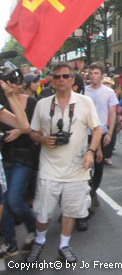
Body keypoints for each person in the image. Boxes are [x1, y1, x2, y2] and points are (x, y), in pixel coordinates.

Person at [26, 62, 101, 264]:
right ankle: (40, 241)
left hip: (77, 168)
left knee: (70, 209)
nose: (61, 80)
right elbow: (32, 132)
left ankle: (64, 245)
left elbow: (96, 129)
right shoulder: (42, 104)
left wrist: (91, 152)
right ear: (51, 79)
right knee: (43, 210)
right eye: (57, 76)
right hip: (49, 167)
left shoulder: (85, 102)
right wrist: (42, 139)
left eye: (65, 76)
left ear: (72, 79)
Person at [75, 63, 118, 230]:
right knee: (84, 165)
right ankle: (86, 194)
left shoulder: (108, 92)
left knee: (99, 165)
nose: (93, 76)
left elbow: (113, 113)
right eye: (91, 73)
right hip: (84, 133)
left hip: (101, 132)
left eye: (96, 73)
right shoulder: (83, 91)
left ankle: (93, 191)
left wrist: (110, 132)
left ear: (102, 75)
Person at [0, 77, 39, 259]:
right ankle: (10, 243)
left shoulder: (29, 102)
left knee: (13, 200)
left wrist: (20, 131)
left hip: (23, 157)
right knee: (4, 203)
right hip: (5, 157)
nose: (12, 84)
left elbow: (27, 126)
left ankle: (33, 229)